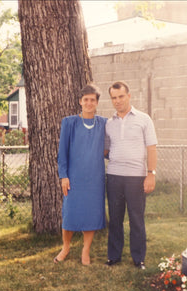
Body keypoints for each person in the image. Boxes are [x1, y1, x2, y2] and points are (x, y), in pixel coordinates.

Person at [104, 81, 158, 270]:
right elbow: (105, 150)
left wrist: (150, 174)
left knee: (136, 218)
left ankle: (138, 258)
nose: (117, 101)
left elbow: (151, 148)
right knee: (115, 219)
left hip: (136, 177)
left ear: (129, 96)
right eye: (114, 98)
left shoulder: (144, 119)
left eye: (121, 96)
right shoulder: (109, 123)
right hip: (114, 176)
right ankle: (114, 256)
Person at [54, 84, 107, 266]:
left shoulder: (104, 123)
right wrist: (64, 175)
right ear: (80, 102)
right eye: (86, 100)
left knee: (91, 213)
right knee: (70, 213)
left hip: (95, 177)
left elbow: (108, 148)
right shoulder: (69, 122)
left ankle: (86, 250)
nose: (89, 103)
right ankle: (66, 247)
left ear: (97, 102)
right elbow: (62, 152)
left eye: (93, 100)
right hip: (74, 177)